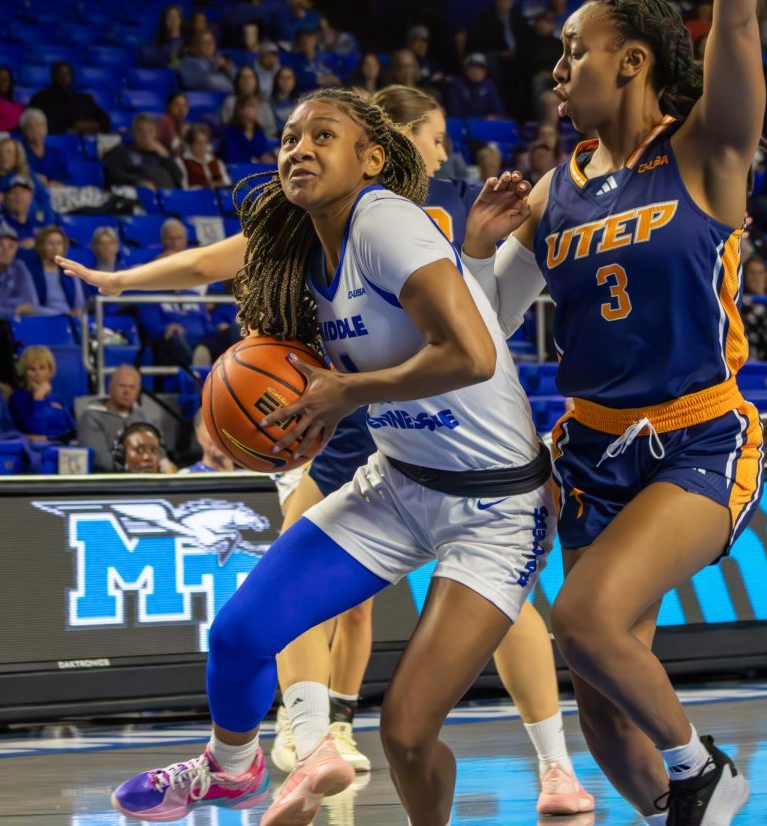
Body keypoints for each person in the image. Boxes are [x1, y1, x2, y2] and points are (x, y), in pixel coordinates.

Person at [61, 88, 559, 826]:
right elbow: (210, 264)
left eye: (323, 135)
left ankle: (547, 767)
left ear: (372, 160)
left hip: (495, 505)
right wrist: (123, 282)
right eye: (290, 137)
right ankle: (232, 767)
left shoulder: (385, 220)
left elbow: (475, 354)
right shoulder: (300, 241)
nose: (299, 148)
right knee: (238, 636)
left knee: (408, 731)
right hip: (397, 482)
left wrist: (344, 392)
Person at [453, 0, 767, 820]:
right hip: (593, 454)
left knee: (584, 618)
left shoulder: (705, 149)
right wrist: (475, 252)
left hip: (698, 440)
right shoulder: (549, 193)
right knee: (598, 695)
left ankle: (703, 773)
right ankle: (683, 808)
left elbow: (738, 31)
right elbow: (482, 326)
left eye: (574, 51)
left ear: (631, 60)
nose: (557, 71)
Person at [262, 84, 590, 815]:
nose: (446, 150)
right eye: (437, 136)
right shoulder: (342, 208)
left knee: (484, 618)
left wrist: (477, 251)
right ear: (397, 142)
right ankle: (320, 734)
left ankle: (323, 734)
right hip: (368, 417)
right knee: (310, 584)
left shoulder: (439, 210)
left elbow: (481, 330)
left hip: (438, 425)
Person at [76, 364, 159, 471]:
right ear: (109, 387)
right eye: (122, 386)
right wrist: (136, 468)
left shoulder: (141, 416)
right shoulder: (91, 417)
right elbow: (99, 460)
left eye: (132, 387)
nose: (127, 392)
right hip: (111, 481)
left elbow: (158, 451)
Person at [9, 345, 75, 443]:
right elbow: (37, 430)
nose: (38, 374)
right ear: (25, 373)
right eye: (32, 369)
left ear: (50, 371)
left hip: (63, 444)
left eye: (42, 368)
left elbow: (73, 429)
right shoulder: (19, 398)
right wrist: (38, 399)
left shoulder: (57, 398)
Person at [102, 115, 185, 191]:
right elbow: (116, 175)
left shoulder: (160, 152)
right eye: (140, 131)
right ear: (133, 133)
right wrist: (138, 182)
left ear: (155, 134)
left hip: (169, 197)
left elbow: (178, 177)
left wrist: (166, 156)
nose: (145, 136)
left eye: (150, 131)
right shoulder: (121, 152)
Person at [28, 61, 111, 135]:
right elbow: (37, 125)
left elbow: (105, 120)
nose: (65, 77)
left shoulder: (84, 99)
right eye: (61, 74)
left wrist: (95, 125)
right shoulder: (41, 99)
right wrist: (72, 128)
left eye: (68, 73)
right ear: (53, 76)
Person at [29, 226, 85, 317]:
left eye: (59, 243)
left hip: (69, 320)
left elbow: (79, 305)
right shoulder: (31, 273)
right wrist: (61, 314)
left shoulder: (70, 272)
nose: (55, 247)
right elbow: (32, 307)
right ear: (41, 246)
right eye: (50, 243)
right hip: (43, 319)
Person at [221, 67, 279, 138]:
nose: (247, 81)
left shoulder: (264, 104)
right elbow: (225, 127)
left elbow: (271, 130)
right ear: (238, 81)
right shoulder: (230, 102)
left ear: (256, 82)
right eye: (243, 77)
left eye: (250, 77)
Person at [0, 176, 52, 245]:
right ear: (5, 198)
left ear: (31, 197)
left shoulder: (40, 226)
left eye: (23, 192)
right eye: (13, 192)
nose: (18, 197)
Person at [447, 53, 506, 120]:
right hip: (463, 124)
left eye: (480, 69)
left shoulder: (489, 85)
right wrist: (482, 118)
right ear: (465, 71)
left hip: (485, 125)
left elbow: (498, 111)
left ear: (485, 71)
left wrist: (493, 117)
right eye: (472, 68)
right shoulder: (457, 84)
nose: (476, 72)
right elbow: (454, 112)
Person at [19, 108, 68, 187]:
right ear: (23, 131)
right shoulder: (19, 152)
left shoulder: (56, 154)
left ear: (46, 128)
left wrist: (58, 183)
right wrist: (31, 178)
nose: (35, 129)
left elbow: (67, 177)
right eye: (30, 127)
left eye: (39, 125)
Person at [221, 95, 276, 165]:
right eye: (252, 106)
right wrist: (256, 160)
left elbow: (262, 153)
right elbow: (232, 157)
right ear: (241, 110)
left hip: (258, 172)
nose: (256, 110)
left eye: (257, 106)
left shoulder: (259, 132)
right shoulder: (229, 131)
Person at [179, 123, 232, 189]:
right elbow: (184, 188)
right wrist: (206, 187)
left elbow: (227, 185)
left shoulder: (216, 162)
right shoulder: (183, 162)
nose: (202, 147)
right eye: (198, 143)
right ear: (190, 144)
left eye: (205, 143)